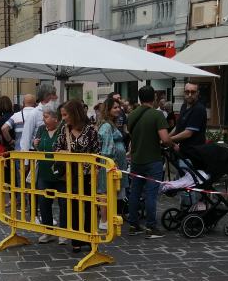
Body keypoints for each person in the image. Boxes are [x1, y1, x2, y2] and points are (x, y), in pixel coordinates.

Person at [55, 99, 100, 253]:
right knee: (73, 206)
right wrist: (67, 154)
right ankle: (76, 239)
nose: (64, 118)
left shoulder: (91, 130)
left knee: (88, 206)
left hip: (87, 175)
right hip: (70, 175)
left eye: (65, 114)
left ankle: (88, 236)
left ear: (74, 114)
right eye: (62, 115)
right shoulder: (64, 129)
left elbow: (97, 152)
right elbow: (57, 149)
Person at [125, 85, 170, 238]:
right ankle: (151, 226)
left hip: (136, 159)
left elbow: (131, 136)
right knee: (151, 193)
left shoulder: (131, 115)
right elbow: (164, 138)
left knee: (135, 193)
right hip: (153, 160)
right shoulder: (157, 115)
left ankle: (133, 224)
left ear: (139, 98)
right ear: (155, 98)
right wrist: (173, 144)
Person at [33, 104, 67, 244]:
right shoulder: (41, 129)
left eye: (46, 117)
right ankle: (48, 231)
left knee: (63, 203)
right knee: (43, 202)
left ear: (55, 118)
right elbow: (38, 147)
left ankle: (64, 232)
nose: (43, 119)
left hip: (61, 174)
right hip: (44, 172)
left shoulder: (63, 130)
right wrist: (35, 144)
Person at [96, 96, 128, 232]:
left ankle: (110, 218)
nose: (118, 109)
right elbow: (107, 149)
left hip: (114, 164)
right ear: (108, 110)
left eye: (118, 107)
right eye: (115, 107)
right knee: (105, 190)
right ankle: (104, 220)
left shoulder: (111, 124)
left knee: (112, 191)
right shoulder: (107, 125)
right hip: (109, 165)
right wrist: (113, 163)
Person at [169, 81, 207, 152]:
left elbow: (188, 133)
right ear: (184, 93)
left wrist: (168, 140)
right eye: (187, 92)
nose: (189, 94)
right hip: (183, 149)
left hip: (194, 152)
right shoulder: (184, 106)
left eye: (193, 92)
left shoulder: (199, 108)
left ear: (197, 93)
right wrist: (167, 136)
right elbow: (177, 126)